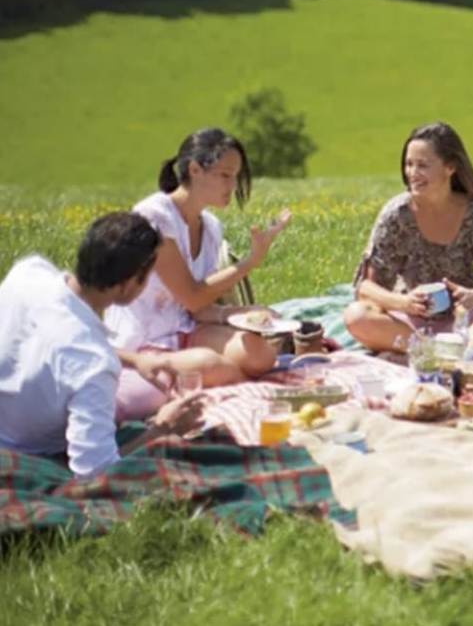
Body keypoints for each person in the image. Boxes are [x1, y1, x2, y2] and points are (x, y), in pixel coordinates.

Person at [0, 213, 204, 479]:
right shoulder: (94, 365)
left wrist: (134, 360)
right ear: (130, 284)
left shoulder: (28, 273)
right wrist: (162, 430)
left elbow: (51, 341)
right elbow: (95, 472)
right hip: (22, 453)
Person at [106, 128, 292, 408]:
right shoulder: (155, 216)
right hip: (148, 339)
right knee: (212, 365)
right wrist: (249, 262)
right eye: (225, 175)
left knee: (261, 355)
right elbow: (190, 295)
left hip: (187, 329)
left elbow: (198, 308)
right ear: (195, 170)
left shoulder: (211, 227)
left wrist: (243, 313)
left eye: (236, 176)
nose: (232, 185)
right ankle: (219, 379)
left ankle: (219, 379)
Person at [344, 122, 473, 353]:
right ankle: (437, 351)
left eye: (422, 165)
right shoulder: (397, 214)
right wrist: (405, 303)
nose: (413, 173)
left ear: (450, 167)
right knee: (357, 316)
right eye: (409, 164)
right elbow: (365, 288)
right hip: (410, 324)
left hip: (465, 321)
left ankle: (446, 349)